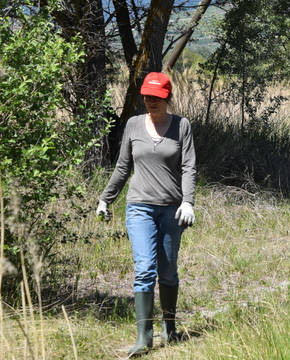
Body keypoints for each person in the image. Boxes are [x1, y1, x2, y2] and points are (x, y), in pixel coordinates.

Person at [95, 72, 196, 356]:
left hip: (171, 209)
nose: (151, 101)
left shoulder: (182, 126)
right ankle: (144, 337)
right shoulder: (133, 125)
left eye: (157, 97)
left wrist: (188, 202)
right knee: (144, 269)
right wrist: (106, 198)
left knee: (167, 271)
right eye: (147, 97)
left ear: (168, 97)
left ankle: (170, 328)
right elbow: (122, 166)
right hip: (139, 207)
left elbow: (189, 167)